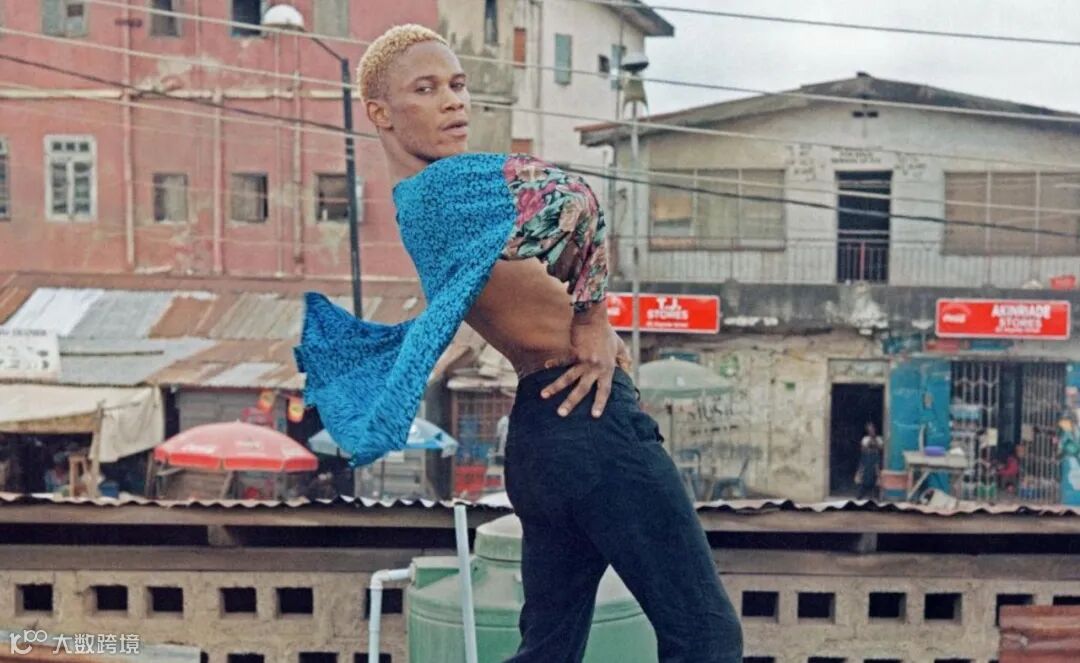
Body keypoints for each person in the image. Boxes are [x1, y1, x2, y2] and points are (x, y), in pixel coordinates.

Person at [295, 24, 742, 663]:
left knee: (548, 650)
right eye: (426, 89)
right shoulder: (452, 185)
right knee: (708, 638)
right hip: (590, 421)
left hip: (541, 434)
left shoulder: (416, 204)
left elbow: (547, 247)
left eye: (457, 85)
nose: (453, 101)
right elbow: (576, 200)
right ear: (380, 113)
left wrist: (584, 305)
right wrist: (591, 316)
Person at [855, 423, 883, 500]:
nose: (871, 431)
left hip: (875, 460)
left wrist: (874, 440)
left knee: (877, 476)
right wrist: (870, 441)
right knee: (863, 476)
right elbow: (863, 449)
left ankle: (876, 496)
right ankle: (860, 495)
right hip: (866, 459)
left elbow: (880, 448)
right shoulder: (865, 439)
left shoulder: (879, 439)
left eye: (872, 429)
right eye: (869, 429)